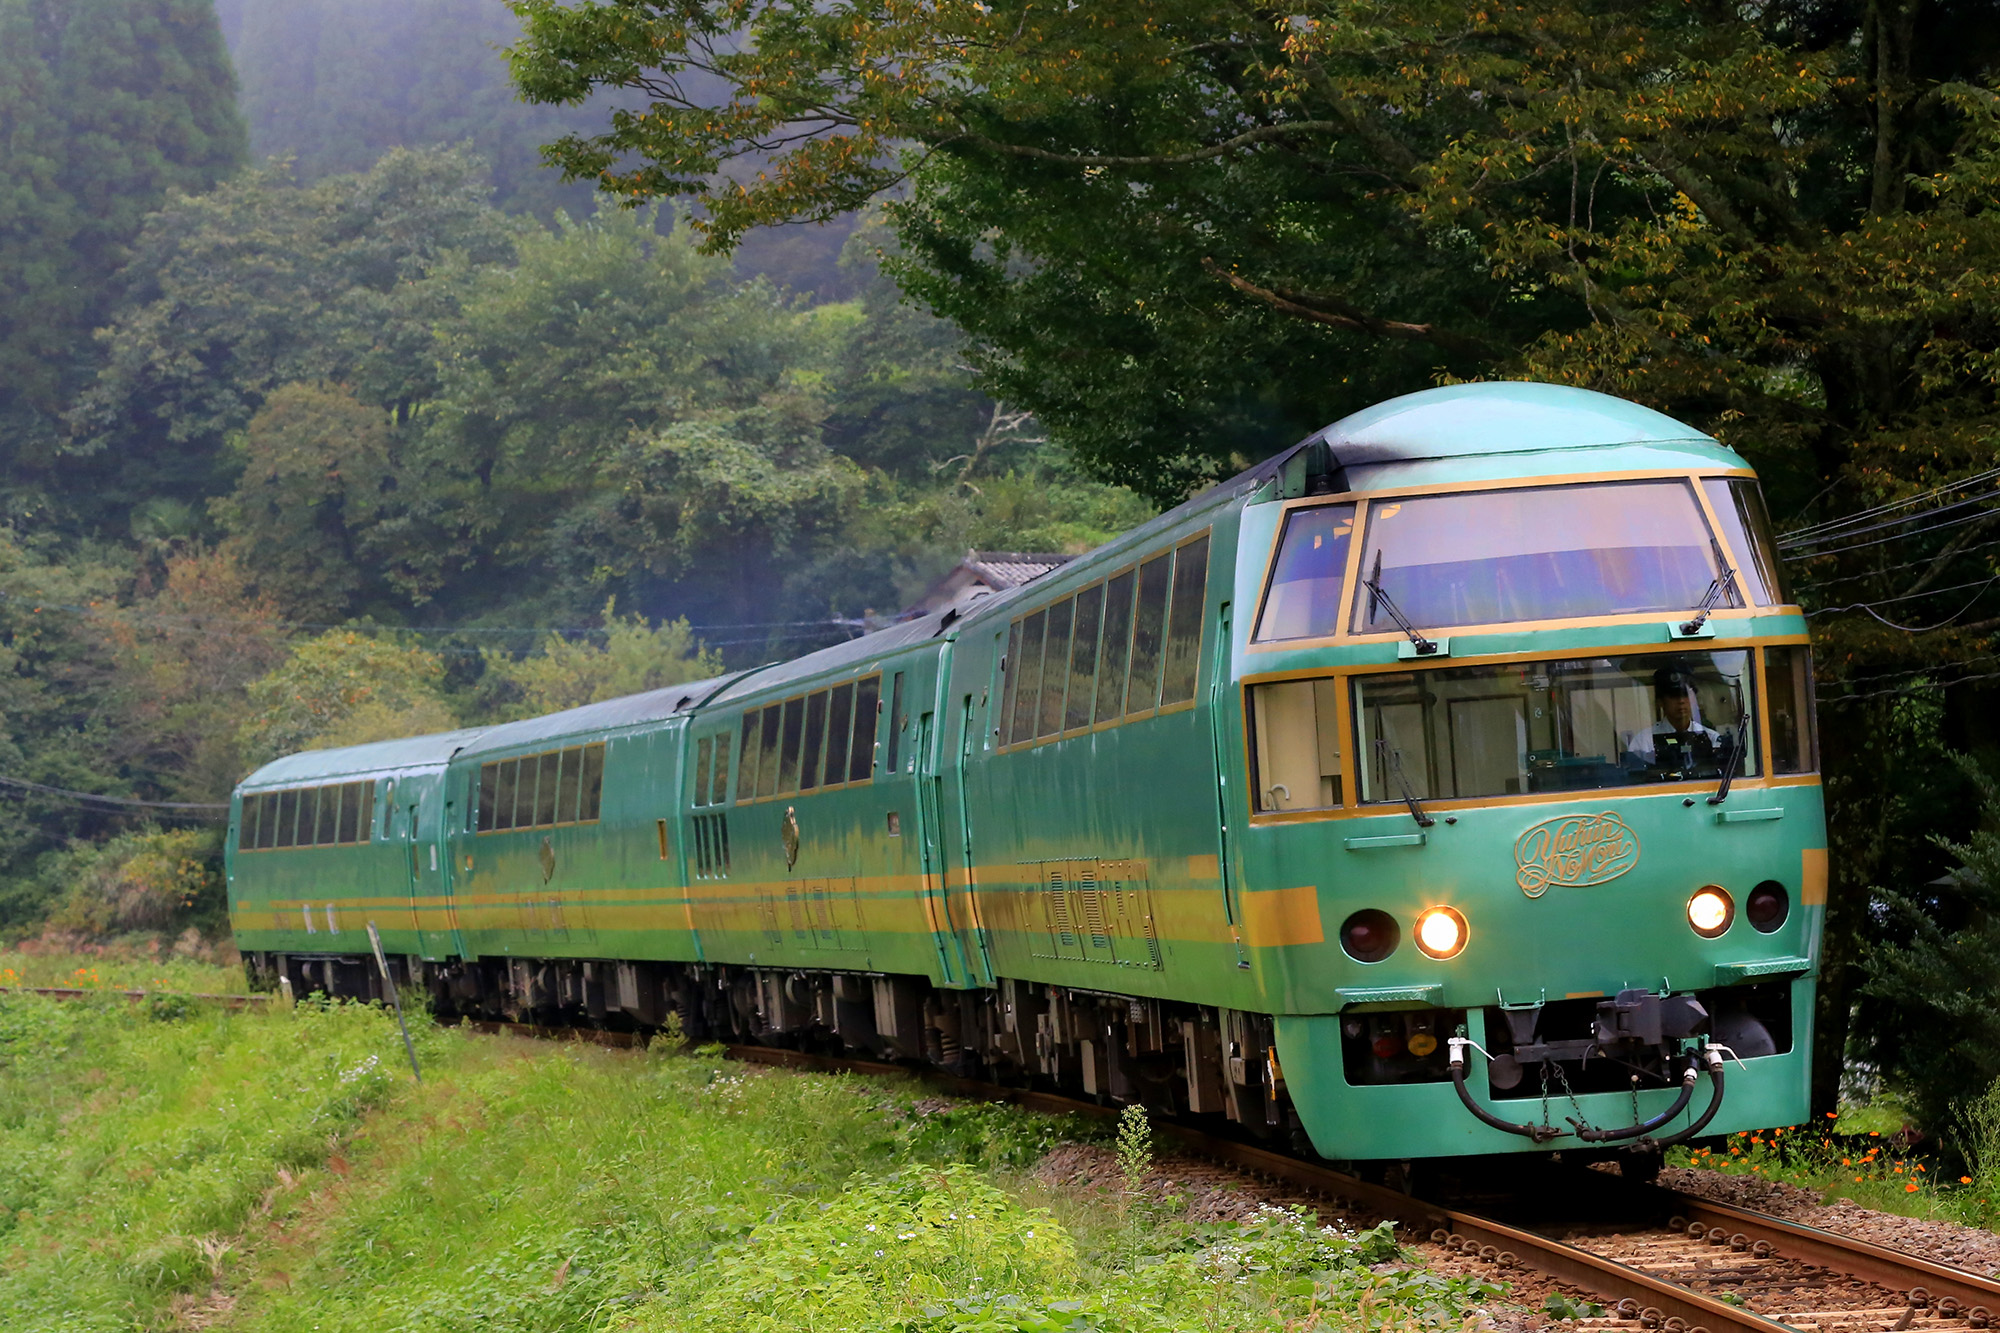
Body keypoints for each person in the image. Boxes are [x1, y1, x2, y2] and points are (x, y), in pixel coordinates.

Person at [1623, 666, 1722, 775]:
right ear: (1660, 702)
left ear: (1694, 700)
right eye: (1673, 696)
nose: (1681, 701)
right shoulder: (1643, 742)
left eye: (1686, 695)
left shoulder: (1712, 738)